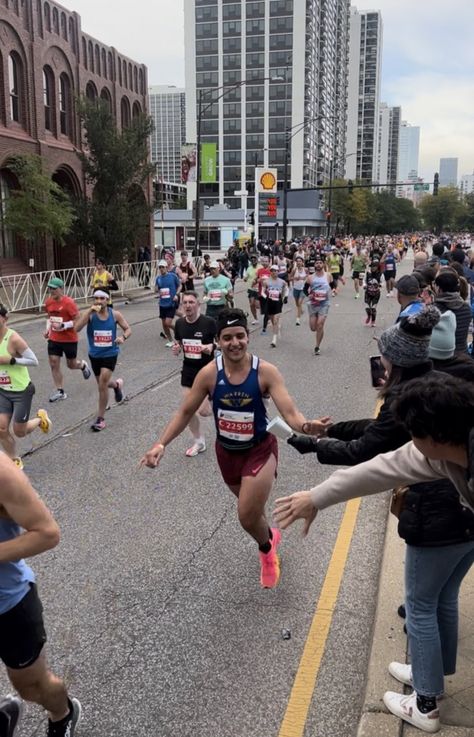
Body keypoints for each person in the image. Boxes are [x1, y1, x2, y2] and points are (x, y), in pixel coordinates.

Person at [274, 374, 474, 735]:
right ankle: (430, 677)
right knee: (442, 597)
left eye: (413, 434)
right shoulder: (443, 450)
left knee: (422, 604)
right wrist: (316, 497)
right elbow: (380, 470)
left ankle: (426, 704)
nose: (410, 443)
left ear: (435, 436)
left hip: (446, 530)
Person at [141, 308, 331, 589]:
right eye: (227, 337)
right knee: (253, 512)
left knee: (245, 514)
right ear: (218, 341)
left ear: (248, 337)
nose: (235, 343)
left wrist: (307, 426)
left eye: (240, 336)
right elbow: (184, 412)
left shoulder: (265, 372)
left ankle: (266, 551)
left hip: (260, 450)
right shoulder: (209, 374)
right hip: (226, 453)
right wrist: (160, 444)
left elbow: (290, 413)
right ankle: (269, 536)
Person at [0, 454, 82, 737]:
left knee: (31, 687)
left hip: (8, 605)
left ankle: (63, 714)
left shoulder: (2, 473)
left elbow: (47, 533)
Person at [0, 306, 51, 469]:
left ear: (4, 318)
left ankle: (40, 419)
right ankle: (14, 458)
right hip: (2, 390)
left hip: (21, 390)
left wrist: (11, 360)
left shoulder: (13, 338)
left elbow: (33, 360)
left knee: (19, 431)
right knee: (1, 428)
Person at [74, 290, 131, 432]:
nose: (99, 301)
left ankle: (100, 418)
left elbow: (128, 329)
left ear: (107, 299)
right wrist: (88, 311)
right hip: (94, 355)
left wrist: (122, 338)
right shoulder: (91, 315)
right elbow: (76, 328)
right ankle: (117, 385)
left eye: (102, 298)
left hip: (110, 353)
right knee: (102, 383)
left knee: (102, 384)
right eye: (96, 298)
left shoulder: (115, 314)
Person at [172, 291, 217, 457]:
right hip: (189, 370)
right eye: (185, 302)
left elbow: (220, 341)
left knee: (205, 412)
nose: (188, 305)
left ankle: (222, 408)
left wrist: (212, 347)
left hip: (208, 371)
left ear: (199, 305)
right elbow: (179, 343)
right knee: (187, 408)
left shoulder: (209, 323)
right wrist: (177, 348)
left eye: (191, 302)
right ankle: (199, 441)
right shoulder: (180, 324)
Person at [43, 278, 91, 402]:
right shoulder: (48, 302)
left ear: (61, 289)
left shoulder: (69, 303)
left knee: (71, 364)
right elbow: (49, 318)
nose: (52, 291)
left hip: (69, 339)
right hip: (54, 338)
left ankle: (82, 365)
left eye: (54, 288)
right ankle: (60, 391)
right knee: (54, 363)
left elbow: (78, 319)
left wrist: (64, 325)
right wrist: (48, 329)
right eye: (50, 288)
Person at [434, 269, 472, 354]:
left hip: (440, 356)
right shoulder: (466, 308)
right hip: (462, 354)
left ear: (439, 289)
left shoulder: (433, 310)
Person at [304, 256, 331, 355]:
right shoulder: (310, 277)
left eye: (320, 263)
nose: (318, 265)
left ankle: (317, 346)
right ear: (314, 265)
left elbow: (333, 285)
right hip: (313, 304)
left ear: (323, 264)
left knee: (320, 324)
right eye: (317, 263)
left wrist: (335, 290)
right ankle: (319, 329)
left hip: (324, 303)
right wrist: (309, 295)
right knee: (313, 328)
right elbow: (304, 289)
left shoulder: (328, 276)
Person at [155, 260, 181, 347]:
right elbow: (158, 289)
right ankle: (170, 340)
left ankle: (179, 331)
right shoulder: (158, 278)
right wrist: (157, 291)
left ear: (166, 268)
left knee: (168, 323)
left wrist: (177, 294)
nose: (161, 269)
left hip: (171, 303)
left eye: (163, 267)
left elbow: (179, 285)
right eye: (160, 267)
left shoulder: (173, 276)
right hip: (162, 304)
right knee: (164, 324)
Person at [265, 265, 289, 348]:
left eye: (275, 271)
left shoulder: (282, 281)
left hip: (278, 302)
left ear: (278, 272)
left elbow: (286, 289)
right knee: (272, 320)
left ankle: (274, 340)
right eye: (272, 271)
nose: (274, 272)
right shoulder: (266, 281)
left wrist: (285, 296)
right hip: (270, 302)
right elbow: (262, 291)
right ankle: (276, 329)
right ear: (270, 272)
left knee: (275, 320)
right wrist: (265, 297)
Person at [363, 258, 382, 326]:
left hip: (376, 294)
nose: (373, 268)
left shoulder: (380, 274)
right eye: (372, 266)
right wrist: (364, 285)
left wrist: (380, 285)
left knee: (373, 308)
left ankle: (373, 321)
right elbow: (364, 280)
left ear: (377, 267)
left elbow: (382, 282)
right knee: (367, 308)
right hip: (368, 293)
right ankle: (369, 316)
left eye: (375, 266)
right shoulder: (368, 273)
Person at [289, 256, 307, 326]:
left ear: (302, 262)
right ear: (296, 263)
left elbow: (308, 277)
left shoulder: (305, 269)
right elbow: (289, 278)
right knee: (297, 304)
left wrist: (303, 278)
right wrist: (294, 278)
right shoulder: (294, 270)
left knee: (299, 303)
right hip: (296, 289)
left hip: (303, 289)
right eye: (297, 261)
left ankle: (298, 319)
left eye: (300, 261)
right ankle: (301, 310)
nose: (299, 262)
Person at [244, 254, 260, 325]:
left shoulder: (260, 267)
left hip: (259, 288)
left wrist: (257, 280)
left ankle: (267, 313)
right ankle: (255, 319)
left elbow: (263, 276)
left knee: (257, 305)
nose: (253, 260)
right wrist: (245, 278)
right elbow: (246, 277)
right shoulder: (249, 268)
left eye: (254, 259)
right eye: (252, 259)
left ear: (257, 260)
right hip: (251, 289)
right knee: (251, 304)